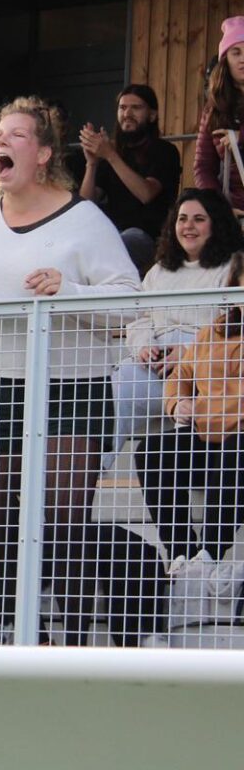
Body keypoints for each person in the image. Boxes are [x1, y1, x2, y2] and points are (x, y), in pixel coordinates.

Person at [0, 96, 140, 644]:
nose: (2, 142)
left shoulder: (84, 218)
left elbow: (129, 304)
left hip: (70, 386)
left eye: (17, 135)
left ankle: (73, 641)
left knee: (62, 529)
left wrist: (70, 291)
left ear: (43, 154)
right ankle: (17, 635)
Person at [137, 254, 244, 625]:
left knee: (239, 450)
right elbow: (181, 373)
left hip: (237, 439)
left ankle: (209, 555)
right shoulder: (213, 330)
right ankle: (183, 555)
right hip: (211, 431)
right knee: (151, 451)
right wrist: (176, 402)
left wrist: (211, 408)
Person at [110, 189, 242, 462]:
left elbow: (233, 324)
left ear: (216, 223)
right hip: (157, 360)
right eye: (182, 219)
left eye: (198, 219)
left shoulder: (231, 267)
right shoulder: (159, 270)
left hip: (205, 366)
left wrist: (189, 353)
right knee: (120, 380)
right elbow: (139, 316)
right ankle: (91, 468)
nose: (188, 226)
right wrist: (145, 346)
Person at [78, 84, 181, 272]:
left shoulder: (165, 151)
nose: (127, 113)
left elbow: (146, 193)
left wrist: (110, 156)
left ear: (152, 115)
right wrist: (91, 164)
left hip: (149, 238)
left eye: (136, 108)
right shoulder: (111, 153)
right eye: (122, 107)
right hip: (110, 234)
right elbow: (86, 205)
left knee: (127, 240)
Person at [195, 16, 244, 212]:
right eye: (236, 52)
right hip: (236, 213)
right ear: (225, 60)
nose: (243, 59)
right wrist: (220, 209)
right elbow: (203, 167)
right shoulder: (214, 108)